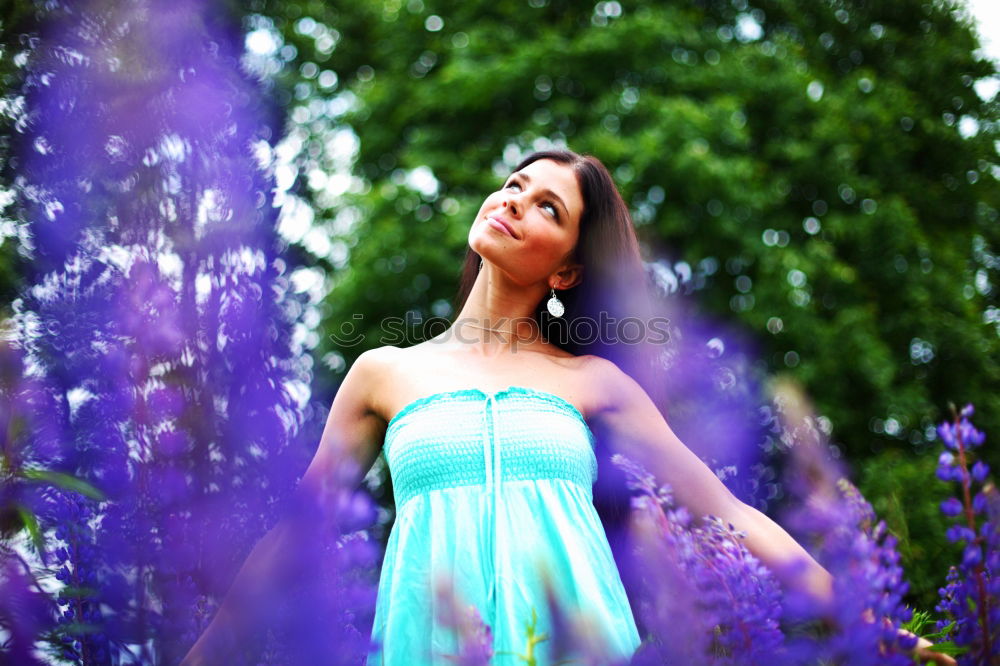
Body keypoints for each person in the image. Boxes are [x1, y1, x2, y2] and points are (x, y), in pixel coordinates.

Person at [182, 149, 954, 665]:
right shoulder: (383, 372)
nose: (515, 201)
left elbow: (727, 513)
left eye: (547, 207)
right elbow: (297, 533)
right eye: (515, 185)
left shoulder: (596, 385)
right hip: (428, 644)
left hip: (582, 643)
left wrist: (872, 626)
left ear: (566, 270)